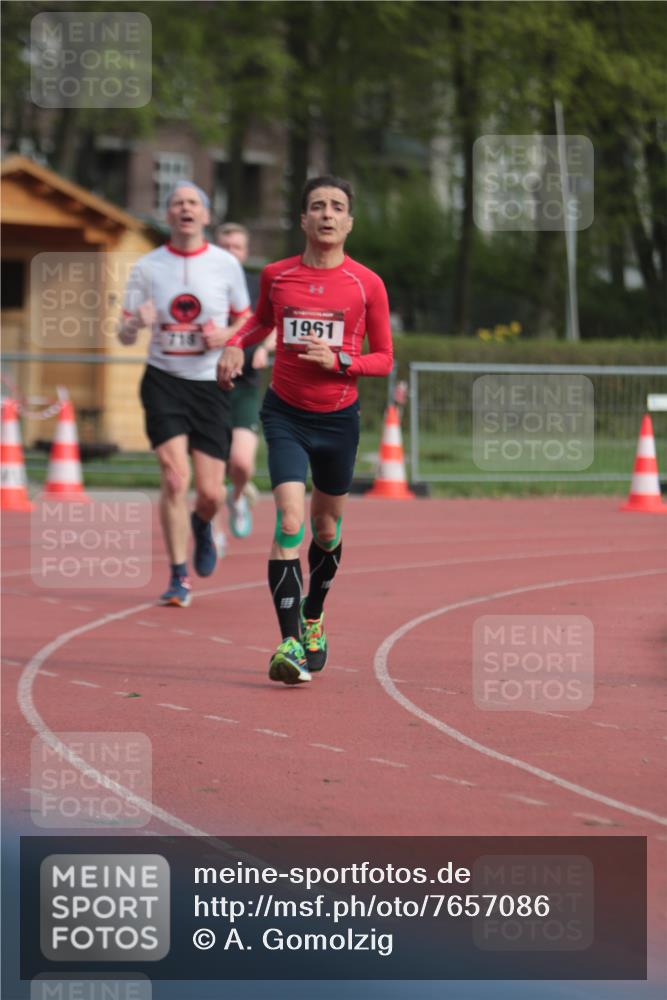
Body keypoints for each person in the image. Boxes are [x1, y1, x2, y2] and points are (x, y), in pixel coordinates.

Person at [218, 175, 393, 683]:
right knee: (290, 520)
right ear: (303, 219)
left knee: (325, 529)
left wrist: (341, 361)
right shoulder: (277, 274)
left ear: (349, 222)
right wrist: (235, 343)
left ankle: (314, 615)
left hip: (338, 419)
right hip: (285, 414)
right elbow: (259, 324)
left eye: (337, 207)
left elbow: (383, 358)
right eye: (317, 206)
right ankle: (290, 642)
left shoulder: (368, 284)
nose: (327, 214)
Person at [118, 182, 251, 607]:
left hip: (210, 385)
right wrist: (136, 322)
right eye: (177, 203)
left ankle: (202, 525)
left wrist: (227, 335)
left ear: (206, 216)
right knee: (175, 478)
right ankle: (178, 576)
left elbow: (248, 321)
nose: (185, 209)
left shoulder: (225, 264)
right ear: (169, 215)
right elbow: (122, 335)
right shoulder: (147, 267)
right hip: (163, 380)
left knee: (210, 493)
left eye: (193, 202)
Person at [214, 223, 276, 545]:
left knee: (240, 462)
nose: (230, 253)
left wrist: (265, 348)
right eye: (224, 246)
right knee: (209, 467)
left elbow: (276, 325)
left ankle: (237, 496)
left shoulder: (257, 287)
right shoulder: (203, 286)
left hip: (246, 385)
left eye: (236, 247)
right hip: (206, 386)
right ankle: (212, 532)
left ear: (245, 252)